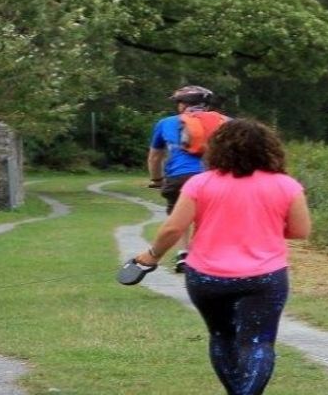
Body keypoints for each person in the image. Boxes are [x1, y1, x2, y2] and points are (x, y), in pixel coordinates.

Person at [133, 119, 311, 395]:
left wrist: (151, 256)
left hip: (206, 277)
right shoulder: (286, 185)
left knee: (222, 337)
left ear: (215, 149)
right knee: (257, 343)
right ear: (270, 149)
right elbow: (300, 231)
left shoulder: (199, 183)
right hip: (264, 278)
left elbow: (174, 228)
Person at [147, 85, 229, 272]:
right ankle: (207, 255)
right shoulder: (226, 122)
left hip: (179, 176)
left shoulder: (165, 123)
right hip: (215, 177)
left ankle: (183, 254)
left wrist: (157, 179)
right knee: (211, 216)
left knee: (180, 215)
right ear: (206, 105)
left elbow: (155, 156)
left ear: (182, 105)